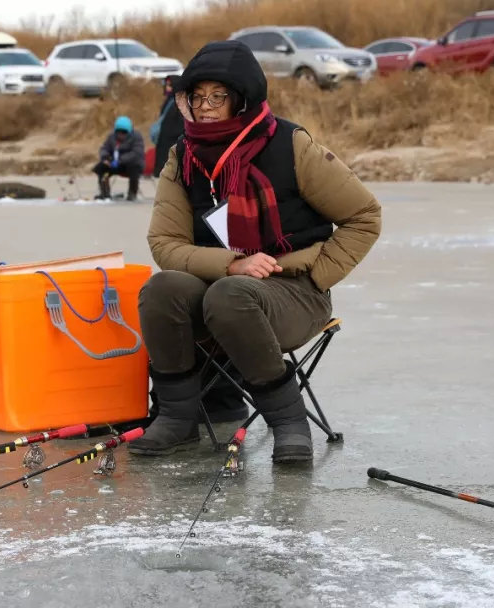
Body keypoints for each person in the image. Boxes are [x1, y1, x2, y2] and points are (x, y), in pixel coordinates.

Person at [128, 41, 382, 463]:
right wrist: (231, 264)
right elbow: (165, 243)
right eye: (197, 97)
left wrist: (315, 276)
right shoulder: (183, 157)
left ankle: (289, 421)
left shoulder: (290, 145)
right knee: (162, 289)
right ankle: (176, 417)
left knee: (230, 295)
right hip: (219, 288)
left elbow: (364, 216)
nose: (205, 108)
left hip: (294, 293)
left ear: (241, 98)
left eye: (218, 97)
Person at [92, 116, 145, 201]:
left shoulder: (136, 137)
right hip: (115, 164)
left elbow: (136, 153)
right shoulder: (111, 137)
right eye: (118, 132)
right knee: (102, 168)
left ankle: (132, 193)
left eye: (124, 132)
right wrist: (106, 158)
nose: (121, 134)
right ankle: (104, 193)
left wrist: (120, 160)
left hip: (130, 164)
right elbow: (104, 148)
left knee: (134, 167)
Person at [150, 76, 183, 178]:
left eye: (170, 85)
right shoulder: (169, 100)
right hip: (164, 137)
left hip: (173, 138)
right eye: (167, 85)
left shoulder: (180, 102)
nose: (167, 87)